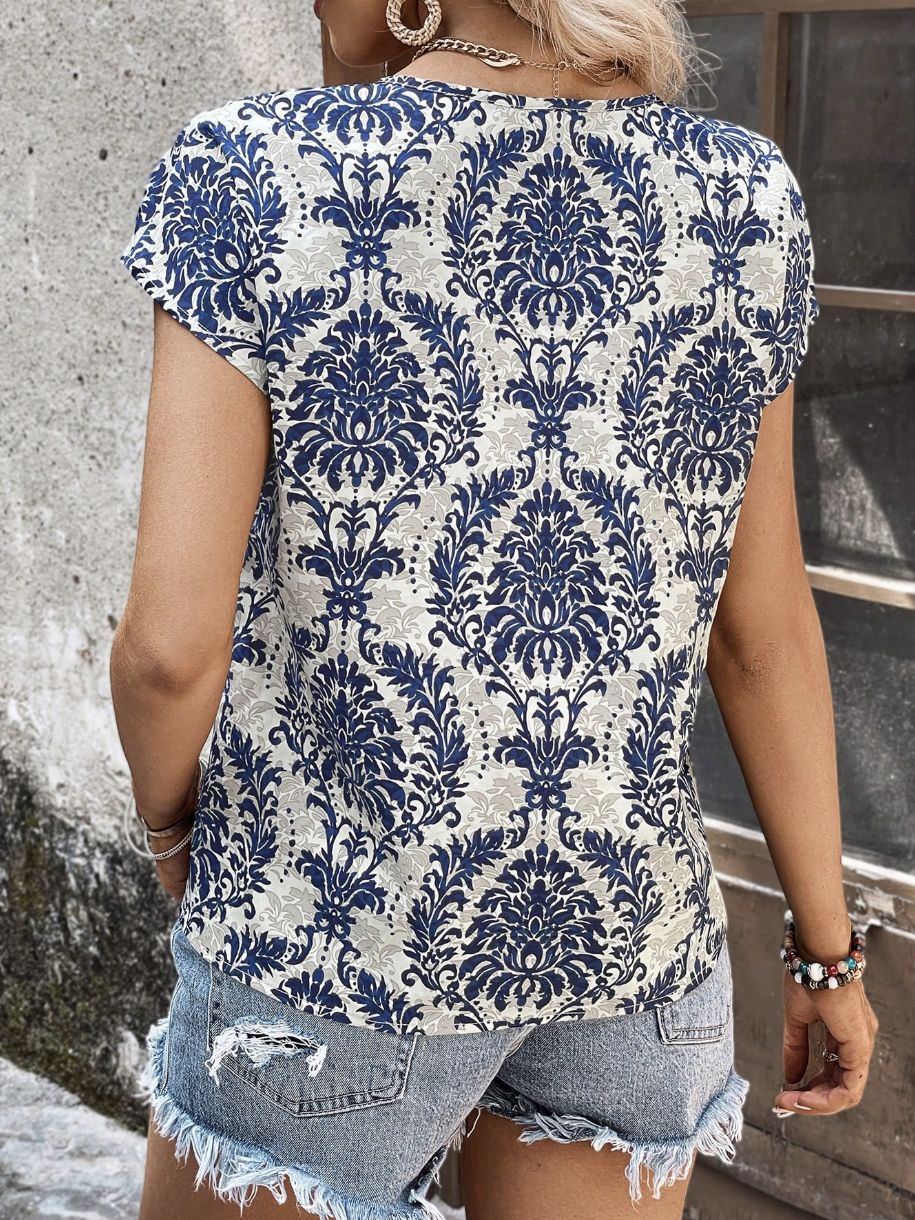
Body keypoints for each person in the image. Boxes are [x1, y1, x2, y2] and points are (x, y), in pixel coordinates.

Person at [110, 1, 879, 1217]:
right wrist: (826, 953)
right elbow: (765, 634)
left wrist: (170, 832)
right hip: (628, 939)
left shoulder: (252, 169)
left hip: (334, 945)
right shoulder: (746, 196)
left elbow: (168, 649)